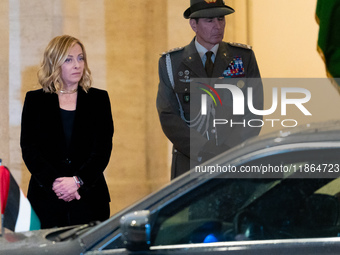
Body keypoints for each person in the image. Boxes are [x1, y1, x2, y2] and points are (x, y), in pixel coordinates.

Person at [156, 0, 263, 179]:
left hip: (234, 160)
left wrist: (228, 149)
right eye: (209, 20)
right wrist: (203, 149)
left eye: (221, 19)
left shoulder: (243, 58)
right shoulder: (171, 63)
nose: (218, 26)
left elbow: (254, 109)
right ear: (193, 24)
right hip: (189, 163)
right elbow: (168, 115)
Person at [20, 35, 114, 229]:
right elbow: (29, 148)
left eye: (80, 58)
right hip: (46, 198)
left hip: (90, 198)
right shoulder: (35, 100)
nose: (77, 65)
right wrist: (56, 183)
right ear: (54, 63)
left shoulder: (99, 99)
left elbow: (102, 149)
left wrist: (78, 181)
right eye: (69, 59)